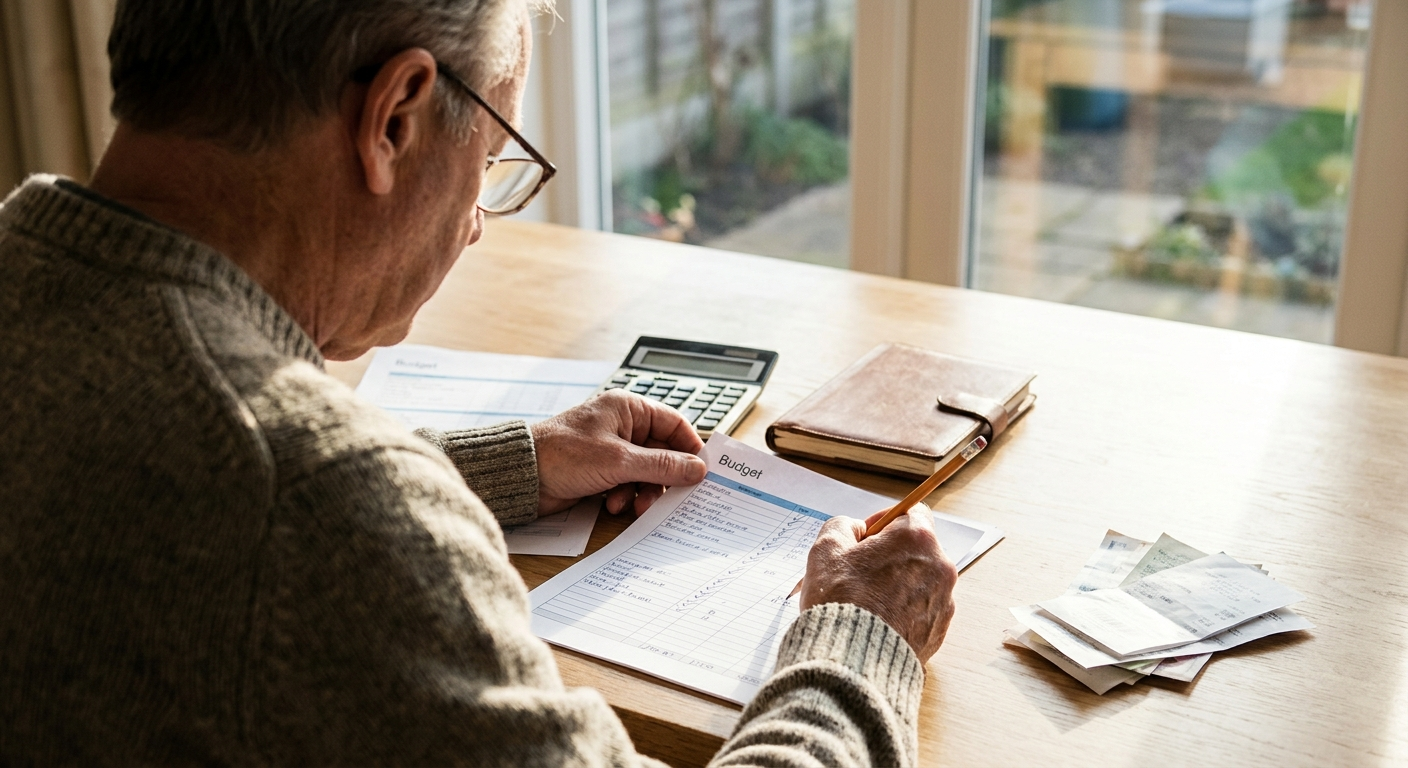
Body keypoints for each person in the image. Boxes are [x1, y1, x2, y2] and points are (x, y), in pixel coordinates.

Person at [0, 1, 959, 765]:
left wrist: (508, 468)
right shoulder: (326, 508)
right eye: (493, 157)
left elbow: (184, 482)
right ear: (396, 115)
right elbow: (290, 504)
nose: (476, 221)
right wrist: (854, 642)